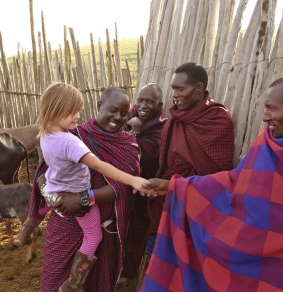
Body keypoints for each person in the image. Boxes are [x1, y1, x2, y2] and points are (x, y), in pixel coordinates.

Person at [139, 75, 283, 291]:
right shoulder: (267, 140)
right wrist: (177, 186)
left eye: (271, 108)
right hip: (247, 243)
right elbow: (236, 182)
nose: (265, 117)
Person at [23, 86, 143, 292]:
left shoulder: (127, 146)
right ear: (99, 106)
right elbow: (45, 173)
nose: (118, 117)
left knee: (96, 285)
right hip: (63, 224)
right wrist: (53, 199)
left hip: (104, 230)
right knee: (52, 282)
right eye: (112, 110)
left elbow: (122, 187)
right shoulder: (74, 134)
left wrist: (83, 198)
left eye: (124, 113)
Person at [146, 62, 235, 256]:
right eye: (173, 89)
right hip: (167, 200)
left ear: (199, 89)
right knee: (156, 259)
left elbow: (216, 178)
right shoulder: (175, 118)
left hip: (199, 208)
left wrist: (171, 185)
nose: (174, 94)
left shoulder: (217, 120)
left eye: (180, 89)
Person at [118, 83, 167, 290]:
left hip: (147, 191)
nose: (144, 105)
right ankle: (118, 272)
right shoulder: (123, 120)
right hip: (121, 189)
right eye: (140, 100)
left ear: (159, 105)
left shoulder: (163, 129)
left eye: (150, 102)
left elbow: (144, 159)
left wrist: (135, 133)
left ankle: (131, 277)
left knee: (139, 233)